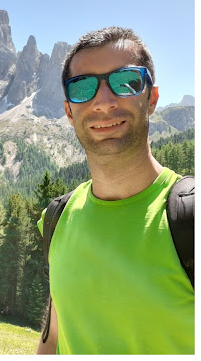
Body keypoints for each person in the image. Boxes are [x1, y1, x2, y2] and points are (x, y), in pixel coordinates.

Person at [36, 27, 194, 355]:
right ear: (68, 111)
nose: (104, 102)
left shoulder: (190, 219)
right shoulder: (55, 219)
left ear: (151, 99)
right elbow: (52, 340)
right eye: (83, 88)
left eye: (125, 82)